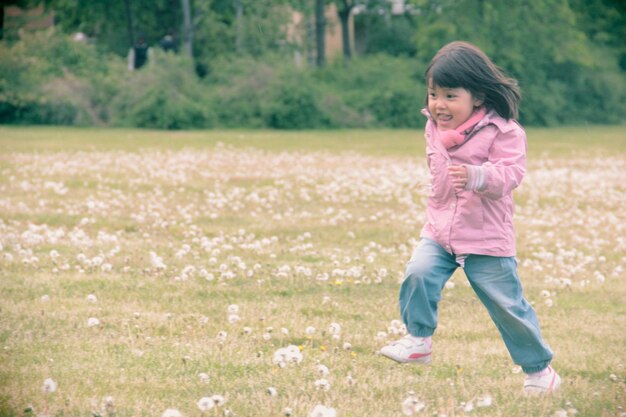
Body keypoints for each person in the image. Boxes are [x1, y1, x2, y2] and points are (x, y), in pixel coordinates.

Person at [379, 41, 561, 396]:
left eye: (450, 96)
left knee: (506, 305)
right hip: (441, 230)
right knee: (418, 273)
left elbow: (511, 174)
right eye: (433, 94)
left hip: (485, 235)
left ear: (477, 97)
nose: (438, 104)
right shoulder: (433, 128)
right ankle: (418, 341)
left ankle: (540, 371)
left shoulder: (505, 131)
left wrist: (480, 176)